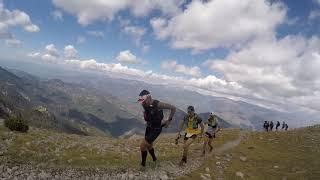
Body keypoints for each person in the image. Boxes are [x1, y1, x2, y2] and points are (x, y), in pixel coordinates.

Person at [137, 90, 176, 168]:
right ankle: (155, 159)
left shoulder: (158, 104)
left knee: (142, 146)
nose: (142, 102)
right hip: (149, 127)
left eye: (143, 100)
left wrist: (168, 121)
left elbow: (173, 108)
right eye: (141, 101)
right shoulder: (144, 104)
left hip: (156, 129)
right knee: (149, 145)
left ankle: (143, 165)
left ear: (149, 97)